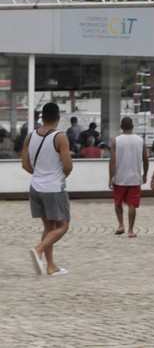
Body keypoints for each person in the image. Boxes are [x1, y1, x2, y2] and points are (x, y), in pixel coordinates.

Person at [22, 102, 74, 277]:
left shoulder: (30, 136)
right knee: (63, 225)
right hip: (53, 188)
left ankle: (51, 266)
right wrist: (57, 177)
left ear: (42, 118)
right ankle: (39, 249)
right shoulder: (60, 137)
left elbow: (25, 164)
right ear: (58, 118)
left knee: (48, 226)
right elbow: (68, 166)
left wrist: (39, 174)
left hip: (35, 186)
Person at [109, 116, 149, 238]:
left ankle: (121, 224)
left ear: (121, 127)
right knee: (132, 204)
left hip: (120, 178)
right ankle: (131, 230)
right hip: (135, 178)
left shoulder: (116, 140)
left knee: (118, 202)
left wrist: (111, 177)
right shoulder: (140, 140)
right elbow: (145, 159)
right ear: (132, 126)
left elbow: (113, 161)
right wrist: (145, 174)